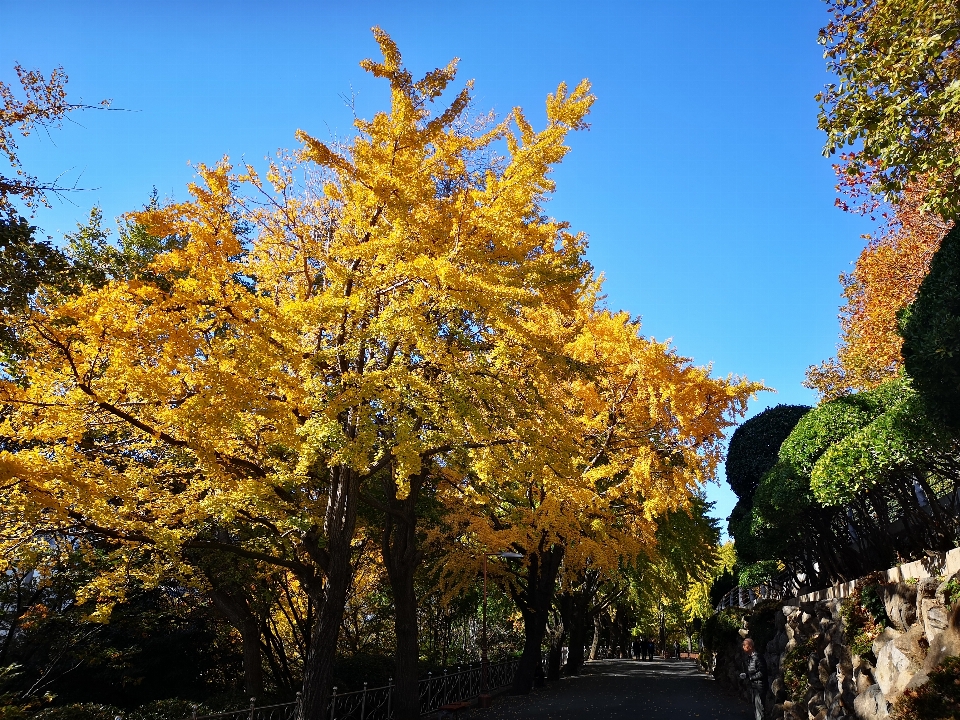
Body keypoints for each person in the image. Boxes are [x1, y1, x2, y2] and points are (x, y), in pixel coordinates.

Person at [739, 638, 767, 720]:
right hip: (754, 686)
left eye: (744, 645)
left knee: (759, 710)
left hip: (760, 687)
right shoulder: (750, 658)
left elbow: (762, 672)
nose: (743, 647)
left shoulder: (758, 657)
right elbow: (753, 671)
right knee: (756, 709)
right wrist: (746, 675)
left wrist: (751, 678)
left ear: (750, 646)